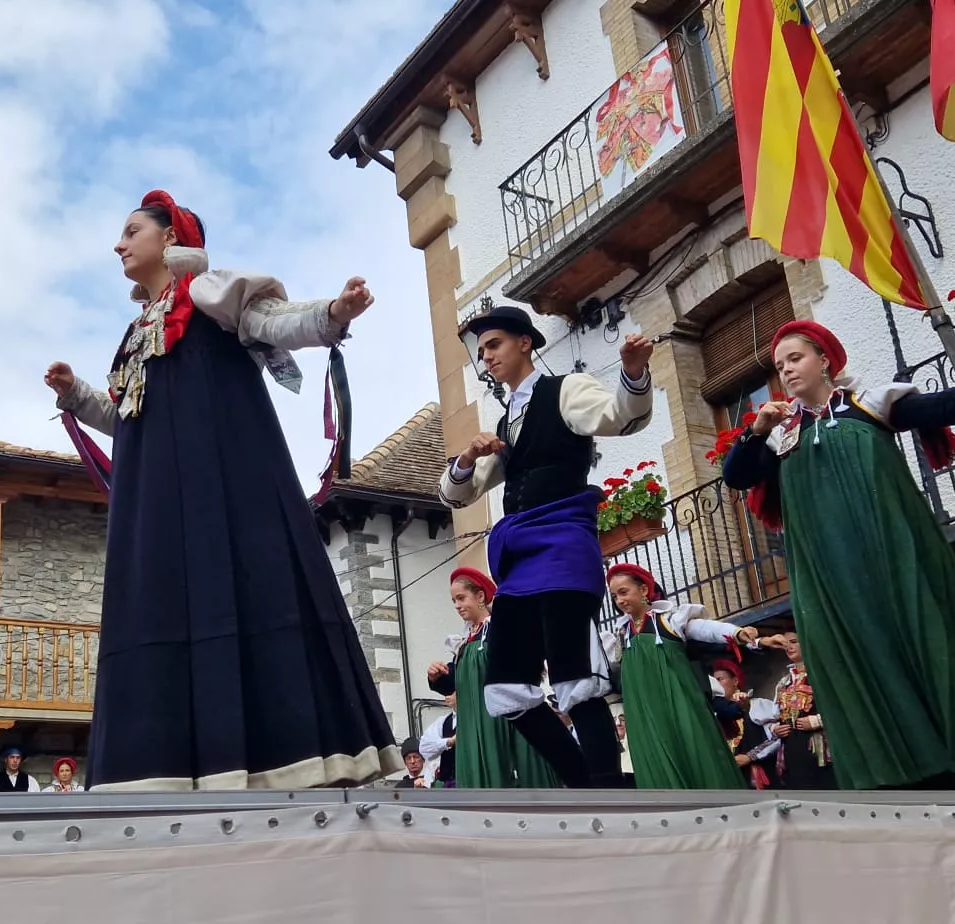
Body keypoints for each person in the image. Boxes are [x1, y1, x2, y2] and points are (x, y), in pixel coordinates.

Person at [45, 190, 401, 791]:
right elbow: (131, 418)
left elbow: (273, 322)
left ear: (169, 239)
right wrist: (77, 394)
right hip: (157, 506)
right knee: (160, 606)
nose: (119, 243)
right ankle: (166, 772)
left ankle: (286, 759)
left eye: (132, 231)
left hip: (220, 488)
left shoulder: (208, 295)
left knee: (240, 590)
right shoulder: (137, 332)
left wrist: (333, 314)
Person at [720, 320, 955, 791]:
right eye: (779, 365)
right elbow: (738, 477)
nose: (785, 370)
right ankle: (892, 772)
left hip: (891, 550)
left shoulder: (870, 404)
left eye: (795, 358)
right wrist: (755, 430)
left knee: (925, 636)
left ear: (824, 359)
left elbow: (940, 405)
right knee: (855, 655)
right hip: (828, 570)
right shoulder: (780, 434)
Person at [438, 304, 656, 788]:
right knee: (504, 687)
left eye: (493, 344)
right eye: (481, 351)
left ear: (525, 342)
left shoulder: (566, 390)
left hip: (561, 546)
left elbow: (620, 417)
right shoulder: (504, 424)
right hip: (519, 564)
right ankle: (584, 783)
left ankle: (605, 787)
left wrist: (634, 372)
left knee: (574, 677)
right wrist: (469, 456)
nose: (486, 357)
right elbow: (457, 494)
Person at [605, 564, 756, 790]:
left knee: (694, 744)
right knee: (654, 752)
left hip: (678, 700)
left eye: (624, 592)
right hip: (644, 711)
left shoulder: (669, 620)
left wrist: (737, 632)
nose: (620, 600)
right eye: (615, 596)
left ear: (644, 590)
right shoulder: (620, 633)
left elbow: (704, 628)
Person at [425, 567, 559, 788]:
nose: (457, 605)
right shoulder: (466, 641)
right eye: (453, 601)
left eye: (461, 598)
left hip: (502, 721)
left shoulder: (500, 630)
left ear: (479, 596)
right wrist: (437, 677)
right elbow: (458, 681)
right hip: (474, 723)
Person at [766, 635, 836, 789]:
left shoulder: (821, 676)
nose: (788, 647)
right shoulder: (783, 683)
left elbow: (840, 709)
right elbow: (774, 717)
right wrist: (776, 729)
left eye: (793, 642)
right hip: (792, 747)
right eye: (785, 644)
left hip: (819, 746)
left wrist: (817, 721)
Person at [709, 659, 779, 790]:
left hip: (759, 776)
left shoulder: (757, 705)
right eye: (714, 681)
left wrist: (750, 756)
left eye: (720, 679)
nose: (716, 685)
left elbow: (778, 736)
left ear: (735, 681)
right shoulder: (714, 714)